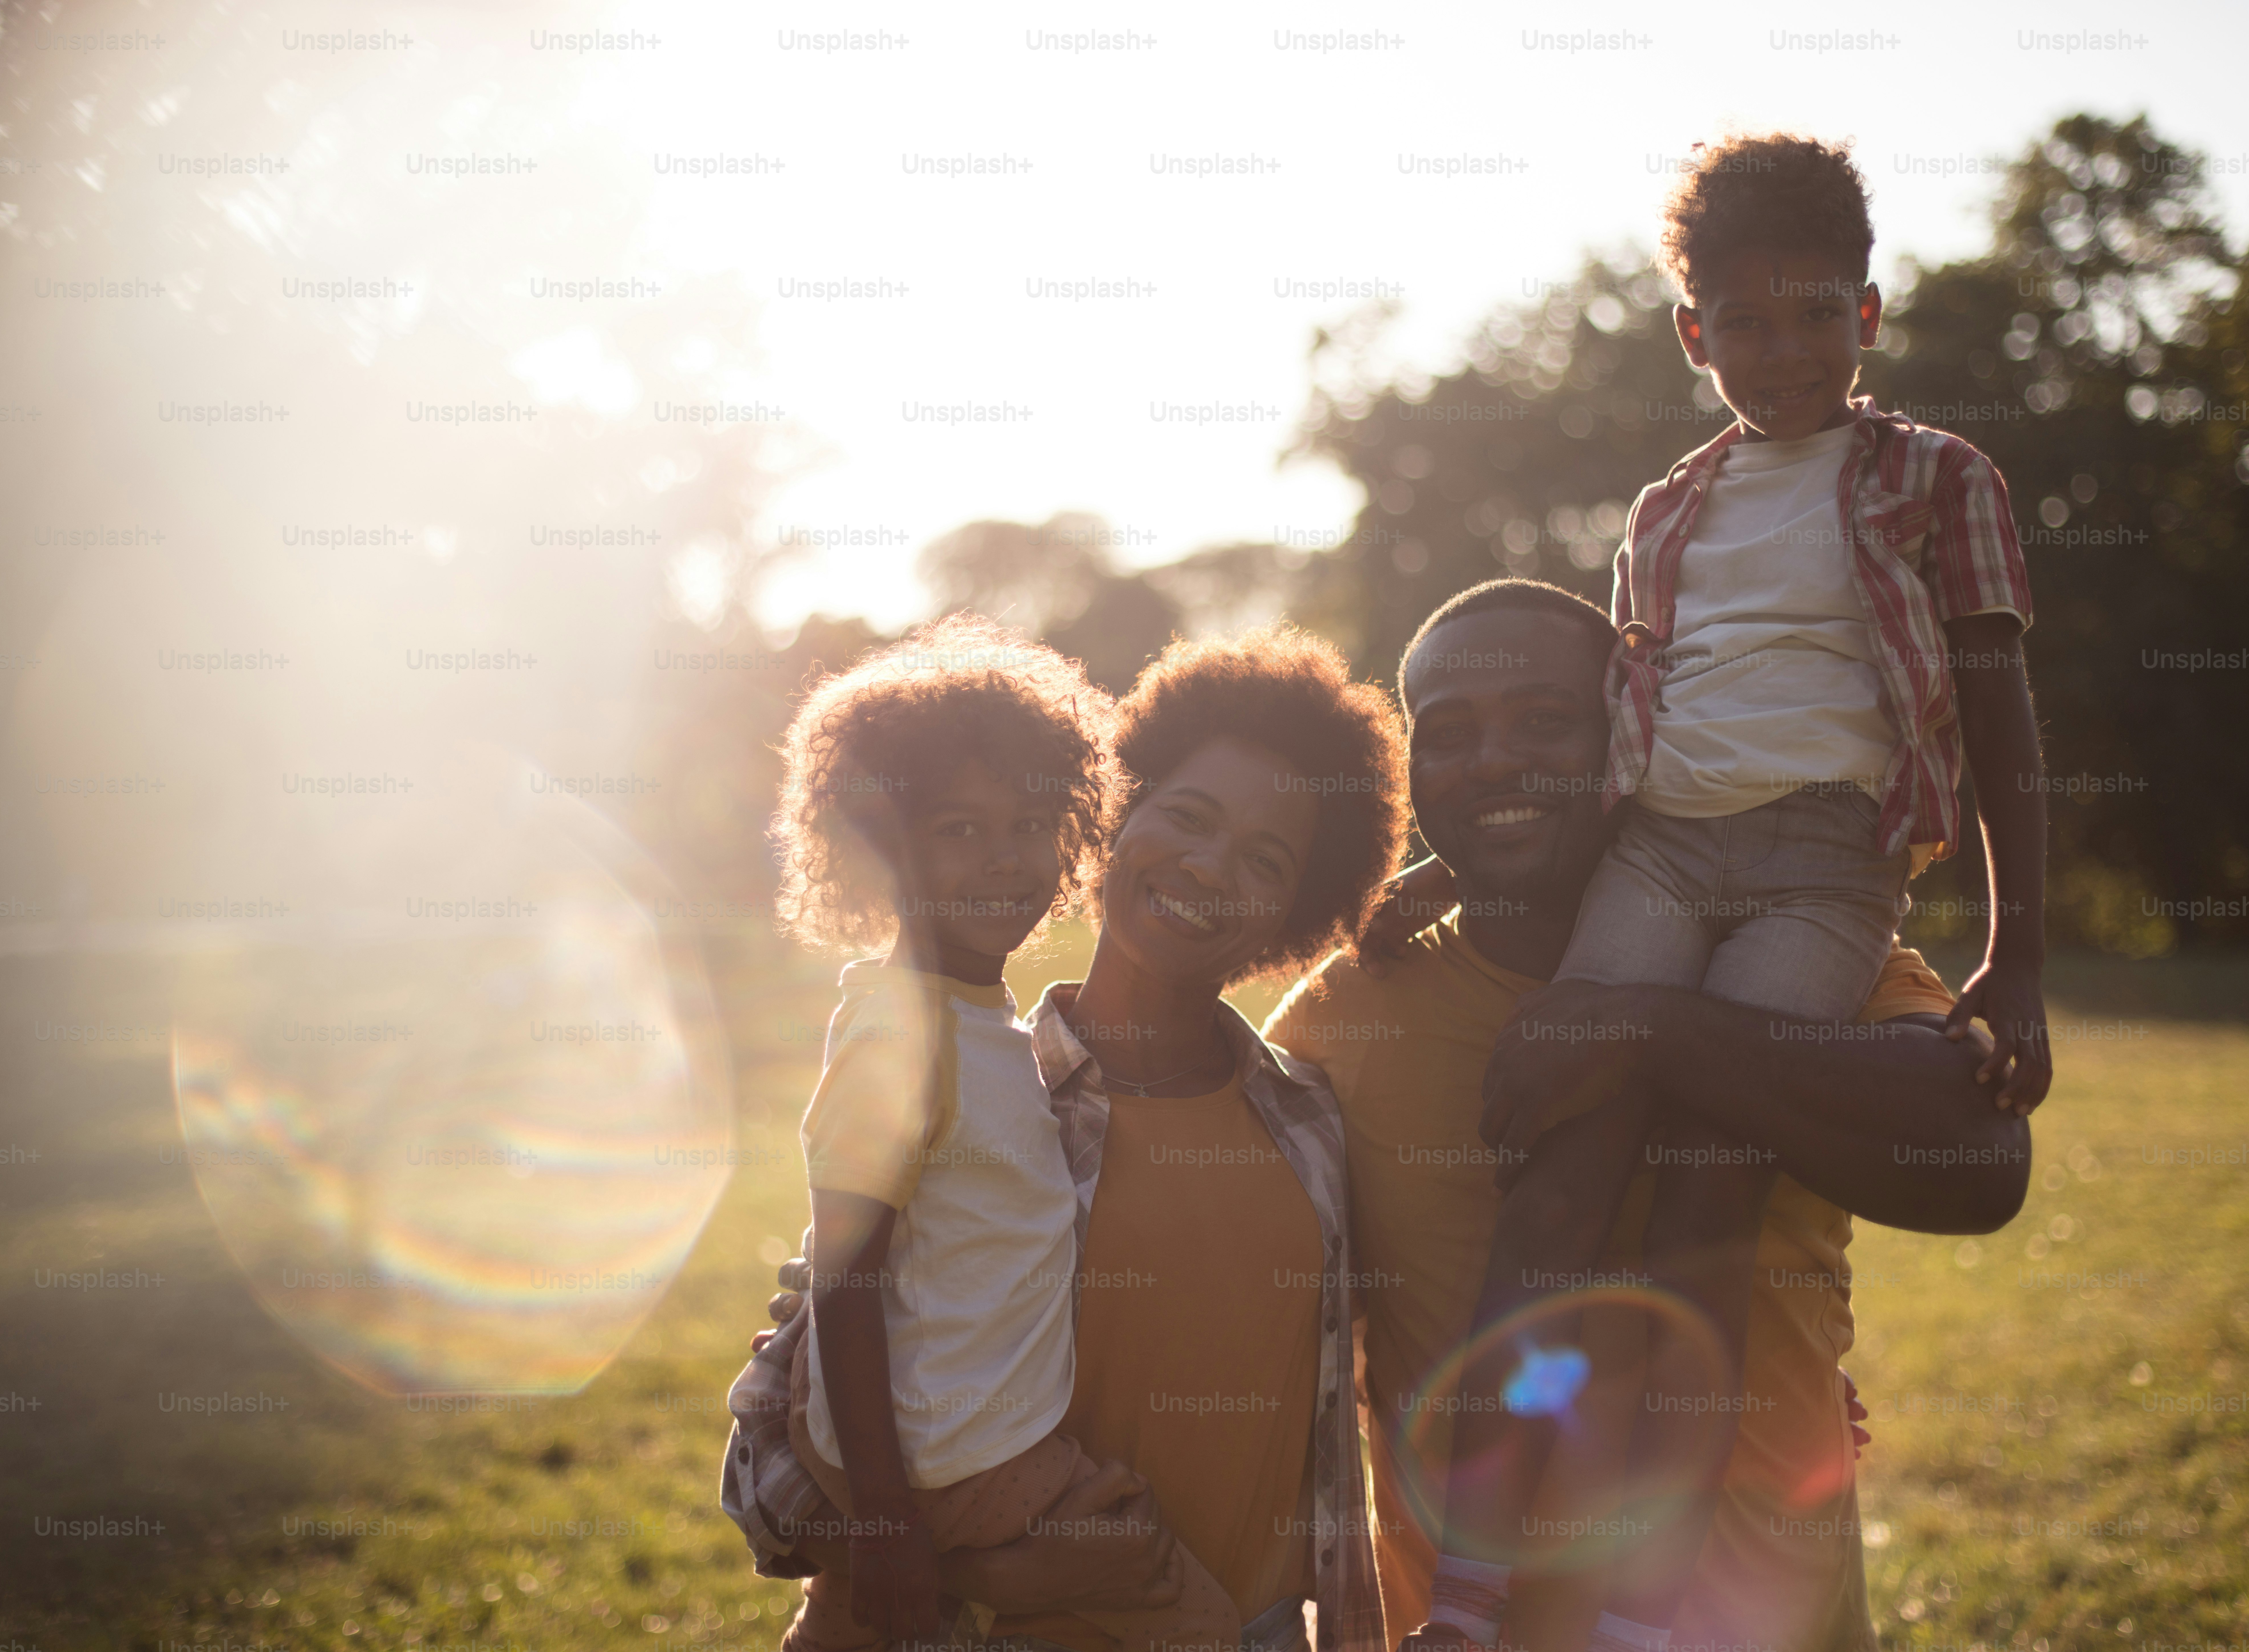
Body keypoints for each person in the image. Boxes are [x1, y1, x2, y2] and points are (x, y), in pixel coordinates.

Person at [1399, 134, 2053, 1652]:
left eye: (1818, 314)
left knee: (1707, 1187)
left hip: (1825, 867)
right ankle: (1481, 1579)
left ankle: (1644, 1599)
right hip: (1665, 854)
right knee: (1560, 1152)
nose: (1787, 350)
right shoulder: (1668, 514)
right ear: (1695, 338)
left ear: (1870, 313)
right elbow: (1623, 746)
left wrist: (2016, 958)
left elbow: (2005, 719)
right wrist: (1440, 861)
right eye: (1746, 324)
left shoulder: (1936, 479)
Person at [1266, 579, 2038, 1652]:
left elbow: (1981, 1164)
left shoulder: (1808, 965)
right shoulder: (1348, 1013)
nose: (1493, 760)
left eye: (1545, 721)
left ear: (1638, 738)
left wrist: (1645, 1025)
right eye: (1449, 735)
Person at [729, 624, 1409, 1652]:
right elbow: (792, 1444)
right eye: (1185, 815)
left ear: (1298, 908)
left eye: (1265, 858)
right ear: (1110, 813)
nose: (1209, 867)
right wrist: (970, 1560)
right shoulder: (985, 1082)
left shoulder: (1309, 1124)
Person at [764, 615, 1236, 1652]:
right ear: (883, 844)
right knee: (1186, 1612)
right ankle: (940, 1575)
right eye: (958, 829)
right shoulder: (902, 1032)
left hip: (954, 1442)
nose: (1005, 859)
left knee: (869, 1625)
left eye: (1030, 824)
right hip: (951, 1455)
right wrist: (887, 1519)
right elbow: (847, 1277)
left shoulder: (986, 1026)